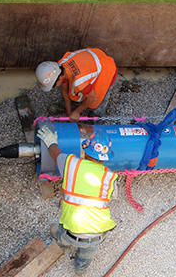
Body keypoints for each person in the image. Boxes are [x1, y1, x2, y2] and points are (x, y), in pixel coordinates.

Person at [36, 122, 117, 274]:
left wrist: (50, 141)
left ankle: (63, 242)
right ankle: (79, 270)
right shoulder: (110, 176)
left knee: (64, 232)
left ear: (86, 151)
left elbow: (55, 153)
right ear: (104, 157)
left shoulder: (72, 163)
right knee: (86, 255)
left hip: (73, 232)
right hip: (98, 234)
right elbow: (108, 198)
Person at [35, 48, 118, 121]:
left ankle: (96, 120)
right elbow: (64, 90)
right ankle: (69, 106)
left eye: (52, 85)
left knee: (99, 101)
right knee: (74, 90)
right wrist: (69, 114)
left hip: (106, 68)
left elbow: (92, 98)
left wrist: (77, 112)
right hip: (92, 59)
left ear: (59, 77)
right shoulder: (61, 66)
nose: (53, 88)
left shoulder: (79, 82)